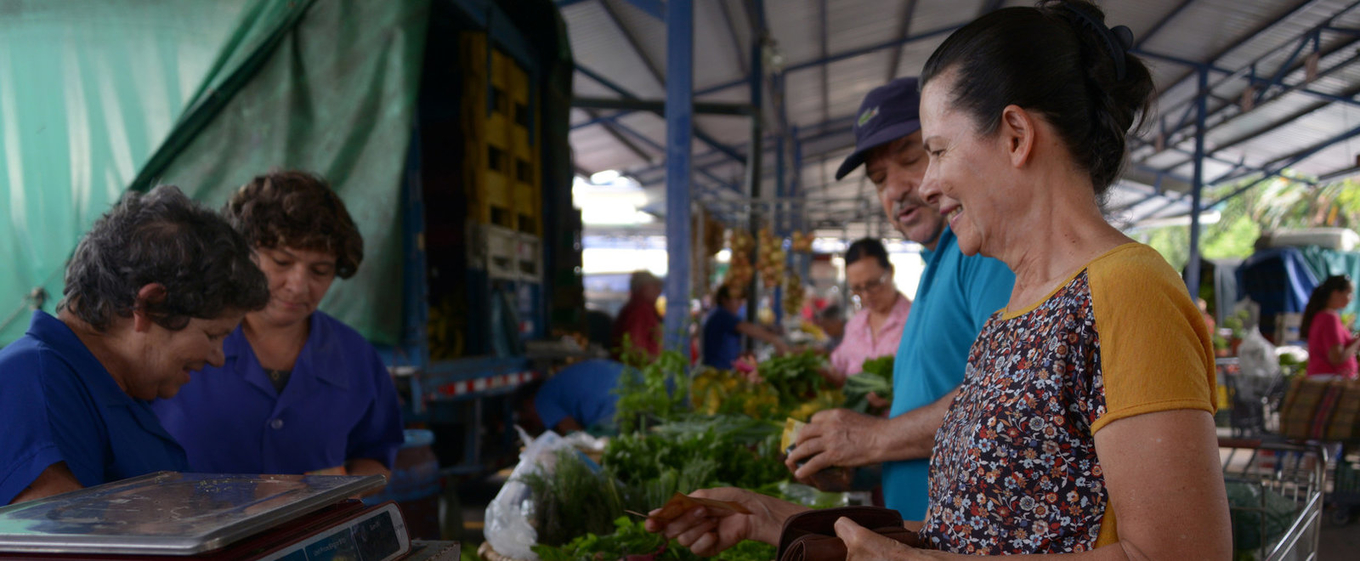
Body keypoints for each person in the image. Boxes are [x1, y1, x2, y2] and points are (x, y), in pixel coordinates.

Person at [650, 1, 1232, 557]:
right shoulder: (1012, 316)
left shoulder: (1129, 291)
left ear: (1016, 136)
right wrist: (771, 519)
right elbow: (969, 527)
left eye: (935, 151)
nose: (925, 185)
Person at [785, 77, 1014, 519]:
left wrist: (872, 439)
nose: (895, 189)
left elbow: (1005, 398)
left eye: (911, 157)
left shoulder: (984, 252)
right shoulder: (937, 266)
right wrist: (861, 469)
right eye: (878, 179)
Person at [0, 185, 270, 505]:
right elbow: (59, 543)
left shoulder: (118, 391)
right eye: (212, 335)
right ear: (148, 305)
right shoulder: (33, 382)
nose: (218, 358)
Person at [154, 171, 404, 479]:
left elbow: (375, 459)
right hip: (195, 527)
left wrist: (333, 484)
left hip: (318, 528)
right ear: (242, 253)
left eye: (320, 270)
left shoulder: (356, 358)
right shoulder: (176, 341)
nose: (298, 286)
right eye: (282, 263)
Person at [827, 238, 911, 385]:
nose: (865, 295)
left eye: (872, 284)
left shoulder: (915, 321)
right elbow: (837, 369)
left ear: (890, 271)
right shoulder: (855, 325)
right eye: (857, 288)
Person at [513, 359, 627, 435]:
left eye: (529, 418)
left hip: (614, 402)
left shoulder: (541, 399)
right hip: (634, 380)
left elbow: (576, 435)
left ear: (528, 404)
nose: (538, 423)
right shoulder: (556, 385)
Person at [701, 285, 789, 370]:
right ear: (724, 299)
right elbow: (748, 328)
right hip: (718, 371)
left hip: (723, 369)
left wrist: (741, 355)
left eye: (741, 299)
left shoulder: (721, 314)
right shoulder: (721, 315)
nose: (740, 303)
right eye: (736, 299)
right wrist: (775, 340)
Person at [1302, 275, 1359, 377]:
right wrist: (1357, 343)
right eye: (1349, 293)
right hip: (1330, 381)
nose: (1352, 298)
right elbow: (1336, 358)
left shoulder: (1321, 316)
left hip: (1323, 379)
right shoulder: (1330, 318)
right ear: (1336, 293)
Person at [611, 271, 664, 359]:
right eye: (654, 286)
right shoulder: (640, 311)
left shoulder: (640, 309)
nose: (659, 291)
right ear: (643, 288)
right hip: (636, 370)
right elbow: (635, 349)